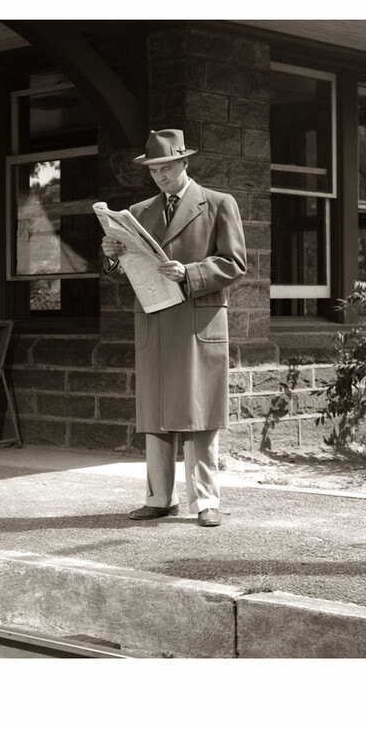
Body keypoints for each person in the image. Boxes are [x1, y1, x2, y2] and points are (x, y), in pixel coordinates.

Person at [102, 128, 247, 527]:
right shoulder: (138, 212)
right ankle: (159, 499)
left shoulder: (218, 203)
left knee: (199, 413)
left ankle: (205, 502)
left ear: (184, 162)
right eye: (153, 170)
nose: (160, 176)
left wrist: (190, 272)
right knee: (157, 412)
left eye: (166, 167)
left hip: (197, 321)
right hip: (155, 320)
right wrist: (112, 256)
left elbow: (235, 263)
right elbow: (127, 269)